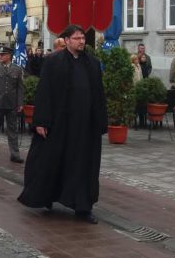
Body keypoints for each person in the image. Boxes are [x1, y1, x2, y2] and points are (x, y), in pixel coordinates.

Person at [18, 25, 108, 224]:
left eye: (83, 38)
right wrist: (40, 121)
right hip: (60, 125)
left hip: (84, 128)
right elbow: (44, 93)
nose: (81, 41)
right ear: (66, 40)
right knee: (52, 161)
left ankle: (83, 207)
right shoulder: (52, 63)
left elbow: (99, 95)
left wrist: (101, 121)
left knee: (84, 166)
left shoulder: (93, 64)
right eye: (77, 38)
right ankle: (47, 196)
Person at [0, 47, 25, 163]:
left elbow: (20, 88)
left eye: (3, 54)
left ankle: (15, 154)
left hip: (11, 104)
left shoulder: (17, 69)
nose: (0, 56)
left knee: (13, 130)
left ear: (9, 56)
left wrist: (20, 103)